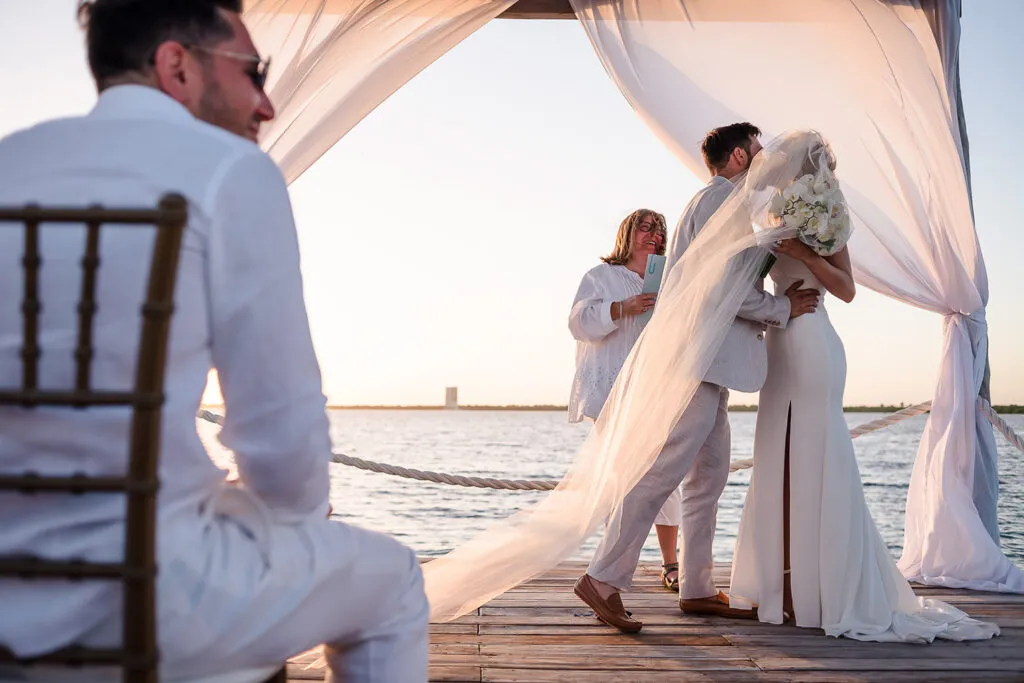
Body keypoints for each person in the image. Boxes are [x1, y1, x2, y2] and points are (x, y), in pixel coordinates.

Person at [0, 1, 427, 681]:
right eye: (254, 71)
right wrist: (273, 519)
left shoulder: (10, 163)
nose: (267, 105)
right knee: (394, 583)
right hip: (152, 598)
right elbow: (286, 455)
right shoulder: (230, 170)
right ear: (177, 66)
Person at [728, 133, 1000, 643]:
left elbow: (847, 290)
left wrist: (805, 254)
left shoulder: (827, 216)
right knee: (776, 458)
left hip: (813, 340)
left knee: (815, 456)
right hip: (778, 339)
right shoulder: (765, 215)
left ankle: (820, 589)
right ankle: (781, 586)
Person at [572, 123, 821, 632]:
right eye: (757, 148)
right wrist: (781, 308)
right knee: (663, 471)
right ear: (739, 156)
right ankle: (602, 579)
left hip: (715, 361)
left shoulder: (728, 203)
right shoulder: (719, 203)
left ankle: (697, 587)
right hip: (698, 362)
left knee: (709, 476)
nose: (764, 156)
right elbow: (721, 287)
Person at [568, 208, 684, 591]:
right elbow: (578, 323)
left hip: (656, 390)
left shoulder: (669, 279)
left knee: (666, 474)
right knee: (617, 477)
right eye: (645, 228)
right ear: (627, 234)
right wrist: (622, 308)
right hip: (611, 391)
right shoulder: (601, 276)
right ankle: (607, 569)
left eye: (660, 231)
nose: (654, 235)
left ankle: (671, 563)